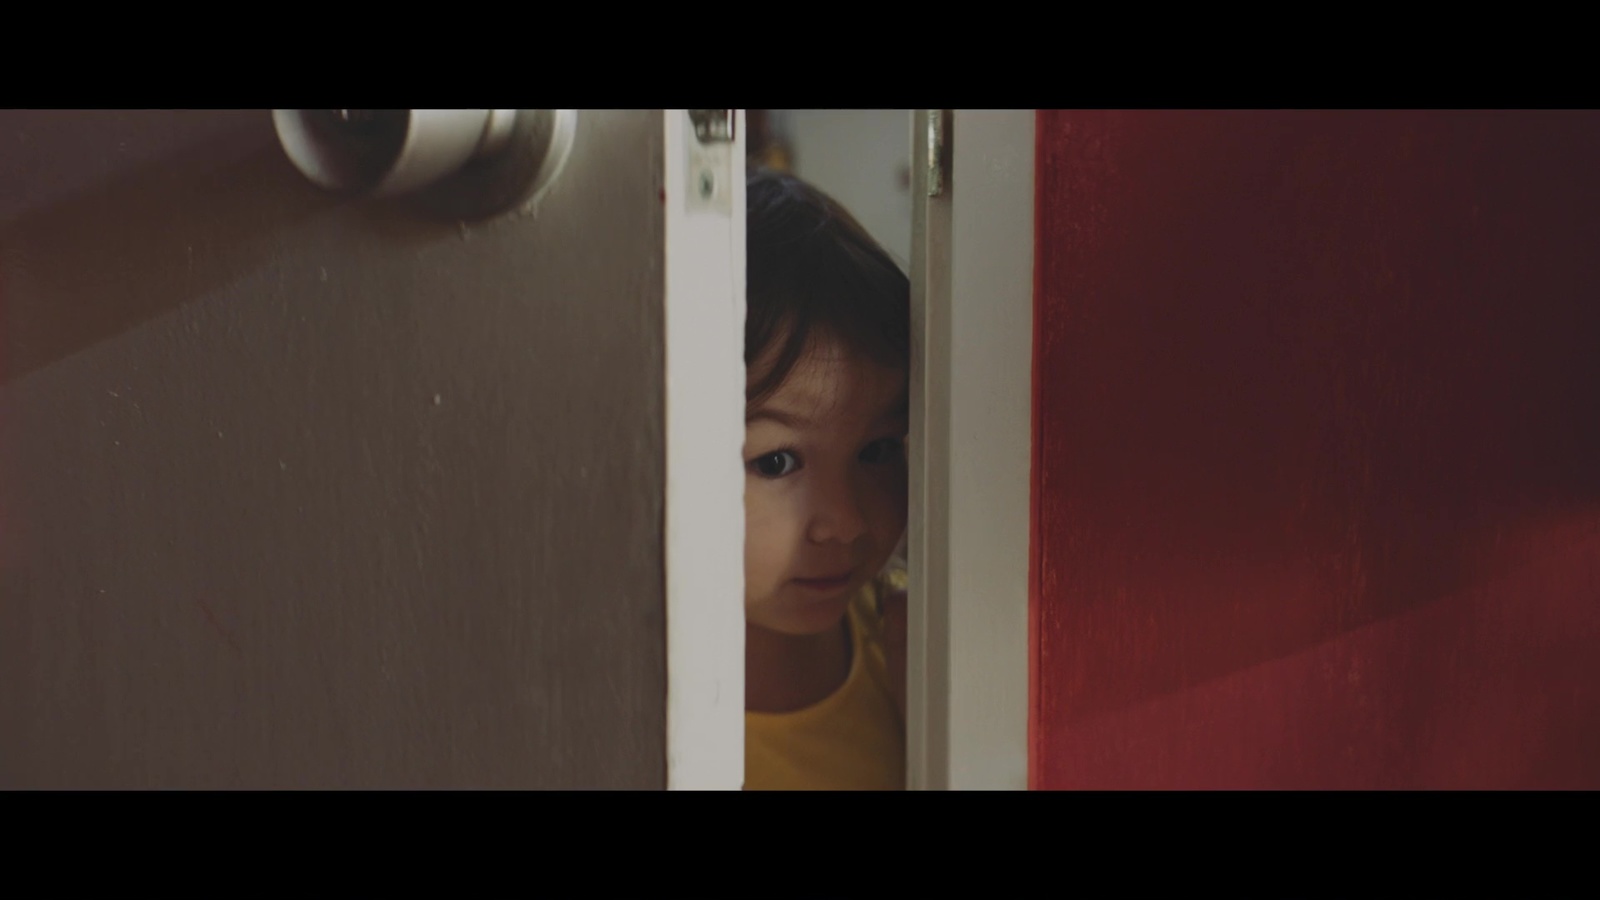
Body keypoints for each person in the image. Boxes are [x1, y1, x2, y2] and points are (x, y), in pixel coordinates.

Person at [742, 169, 910, 790]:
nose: (847, 522)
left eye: (879, 449)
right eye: (776, 462)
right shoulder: (627, 704)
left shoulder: (906, 645)